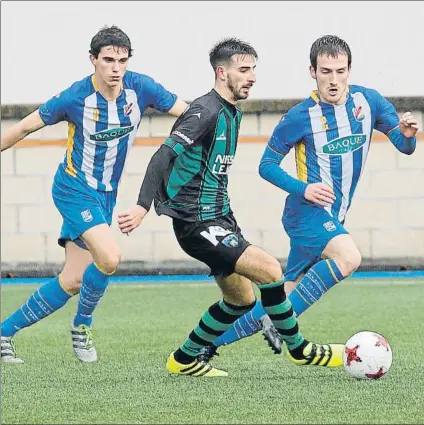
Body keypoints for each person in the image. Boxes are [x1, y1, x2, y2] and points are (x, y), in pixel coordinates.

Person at [117, 37, 344, 377]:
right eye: (243, 69)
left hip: (220, 218)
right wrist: (141, 207)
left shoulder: (232, 111)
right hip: (197, 223)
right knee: (270, 270)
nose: (251, 76)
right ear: (222, 72)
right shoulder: (204, 111)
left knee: (242, 300)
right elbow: (163, 155)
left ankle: (183, 360)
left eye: (253, 69)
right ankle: (300, 350)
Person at [198, 34, 418, 361]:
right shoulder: (301, 116)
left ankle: (206, 346)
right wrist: (305, 189)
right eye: (325, 71)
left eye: (340, 71)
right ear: (312, 72)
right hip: (305, 213)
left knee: (282, 294)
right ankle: (279, 322)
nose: (333, 79)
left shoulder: (368, 102)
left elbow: (404, 146)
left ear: (350, 70)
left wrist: (410, 135)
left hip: (332, 218)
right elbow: (266, 166)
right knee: (349, 258)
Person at [1, 25, 188, 364]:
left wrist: (217, 125)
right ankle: (83, 325)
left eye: (122, 60)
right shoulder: (75, 97)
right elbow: (25, 126)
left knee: (72, 279)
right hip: (74, 189)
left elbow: (189, 113)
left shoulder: (140, 88)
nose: (116, 68)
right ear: (93, 60)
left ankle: (4, 333)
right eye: (108, 60)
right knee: (111, 257)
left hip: (105, 195)